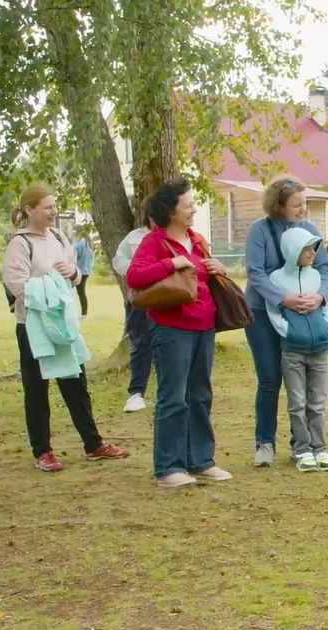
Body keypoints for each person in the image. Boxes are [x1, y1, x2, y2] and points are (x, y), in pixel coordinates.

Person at [1, 185, 130, 472]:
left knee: (76, 383)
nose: (53, 212)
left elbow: (74, 272)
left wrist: (69, 274)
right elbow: (17, 285)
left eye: (54, 206)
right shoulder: (20, 244)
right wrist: (51, 281)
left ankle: (93, 444)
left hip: (63, 324)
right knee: (37, 389)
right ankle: (43, 451)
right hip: (33, 326)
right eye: (47, 207)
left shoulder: (59, 237)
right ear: (29, 210)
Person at [127, 178, 232, 488]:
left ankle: (200, 462)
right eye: (188, 205)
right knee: (173, 397)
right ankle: (168, 467)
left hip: (205, 327)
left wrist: (217, 267)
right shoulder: (154, 242)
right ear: (171, 211)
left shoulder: (197, 239)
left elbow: (203, 276)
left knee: (200, 394)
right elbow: (134, 275)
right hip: (172, 328)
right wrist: (171, 263)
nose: (193, 209)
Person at [243, 176, 328, 468]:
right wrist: (284, 299)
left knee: (306, 384)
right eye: (297, 205)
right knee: (270, 380)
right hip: (262, 314)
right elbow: (255, 274)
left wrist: (319, 297)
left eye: (305, 203)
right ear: (278, 205)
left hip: (304, 316)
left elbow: (325, 268)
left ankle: (303, 444)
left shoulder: (309, 230)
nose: (303, 210)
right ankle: (265, 442)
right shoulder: (260, 230)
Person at [265, 228, 328, 473]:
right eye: (306, 248)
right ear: (293, 250)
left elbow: (325, 306)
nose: (312, 253)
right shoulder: (276, 279)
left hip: (319, 349)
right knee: (297, 402)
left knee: (318, 402)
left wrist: (326, 327)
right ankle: (302, 449)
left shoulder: (316, 276)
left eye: (314, 247)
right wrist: (290, 332)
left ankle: (319, 447)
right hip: (293, 351)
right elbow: (273, 312)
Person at [113, 219, 155, 413]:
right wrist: (144, 270)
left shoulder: (178, 236)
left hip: (173, 298)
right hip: (141, 299)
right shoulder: (135, 238)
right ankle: (136, 393)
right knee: (141, 343)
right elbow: (119, 262)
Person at [72, 234, 94, 320]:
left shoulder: (80, 243)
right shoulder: (89, 243)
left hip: (79, 270)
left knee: (79, 292)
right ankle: (84, 313)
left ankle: (84, 314)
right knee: (81, 292)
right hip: (86, 270)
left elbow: (73, 254)